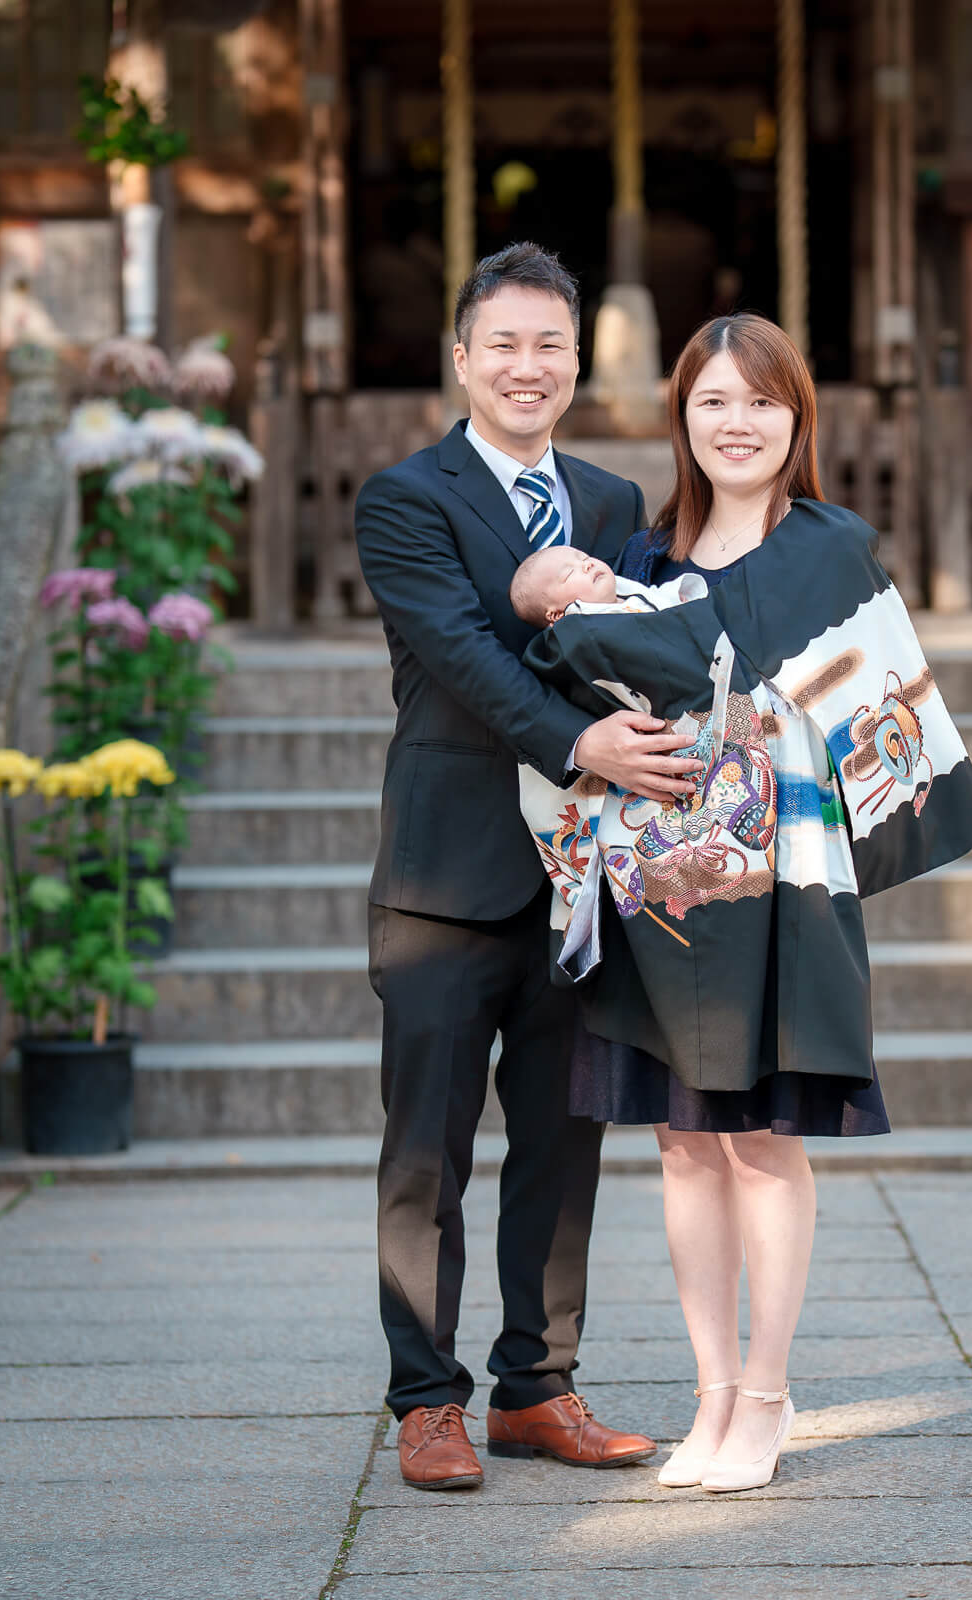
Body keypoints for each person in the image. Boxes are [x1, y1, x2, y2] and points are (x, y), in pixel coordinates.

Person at [516, 312, 972, 1494]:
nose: (736, 424)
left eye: (760, 403)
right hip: (665, 892)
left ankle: (768, 1394)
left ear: (795, 419)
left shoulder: (831, 550)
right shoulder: (643, 558)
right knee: (683, 1146)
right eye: (712, 402)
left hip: (784, 893)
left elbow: (889, 729)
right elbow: (584, 713)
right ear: (681, 416)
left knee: (764, 1146)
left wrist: (757, 718)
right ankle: (710, 1394)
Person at [352, 242, 705, 1491]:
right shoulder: (404, 499)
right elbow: (459, 654)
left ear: (575, 360)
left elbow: (665, 640)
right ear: (460, 359)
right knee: (427, 1151)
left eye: (548, 344)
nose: (526, 365)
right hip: (447, 878)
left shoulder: (612, 501)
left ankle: (537, 1387)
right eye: (500, 343)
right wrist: (583, 739)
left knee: (564, 1143)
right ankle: (426, 1400)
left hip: (585, 880)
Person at [508, 544, 707, 625]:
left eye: (584, 558)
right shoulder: (584, 628)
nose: (587, 565)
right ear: (557, 615)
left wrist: (676, 597)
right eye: (570, 572)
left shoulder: (624, 591)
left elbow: (652, 596)